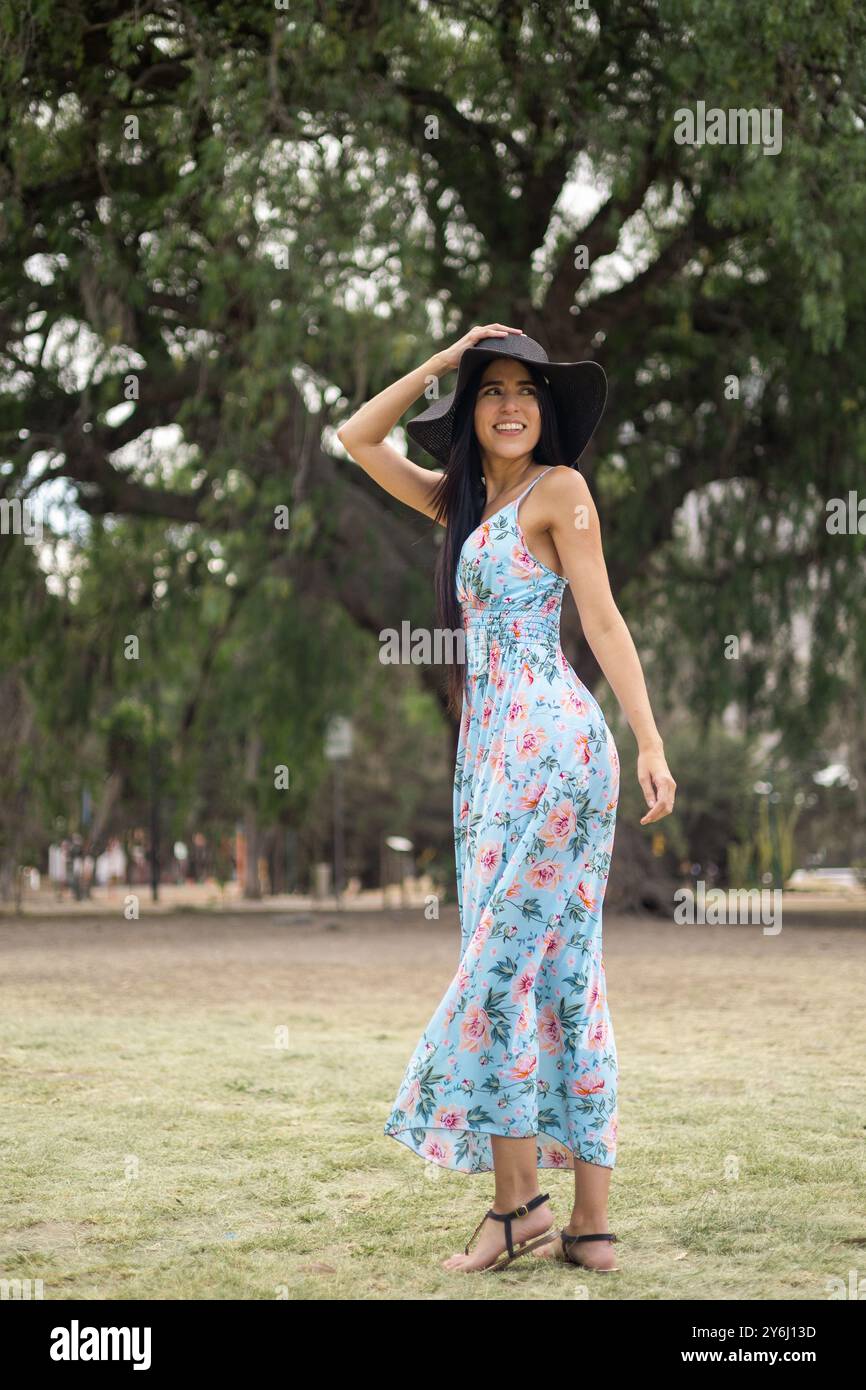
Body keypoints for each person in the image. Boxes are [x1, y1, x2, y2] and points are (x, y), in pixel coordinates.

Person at [337, 324, 676, 1274]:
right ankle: (589, 1226)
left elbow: (602, 616)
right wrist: (445, 362)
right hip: (490, 764)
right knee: (558, 974)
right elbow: (357, 437)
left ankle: (518, 1205)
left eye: (527, 390)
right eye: (492, 391)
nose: (512, 404)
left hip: (557, 755)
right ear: (470, 413)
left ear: (547, 410)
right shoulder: (461, 507)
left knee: (498, 972)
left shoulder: (560, 493)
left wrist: (648, 738)